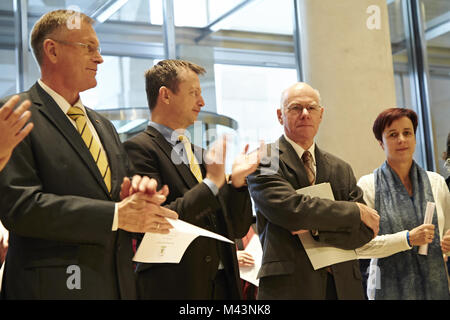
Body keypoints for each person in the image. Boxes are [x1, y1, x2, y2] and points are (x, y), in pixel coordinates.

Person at [0, 10, 178, 299]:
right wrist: (116, 214)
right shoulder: (15, 114)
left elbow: (113, 197)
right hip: (52, 288)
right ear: (52, 50)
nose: (100, 58)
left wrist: (135, 198)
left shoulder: (103, 125)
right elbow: (20, 208)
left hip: (116, 284)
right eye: (89, 48)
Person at [123, 59, 260, 299]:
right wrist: (211, 184)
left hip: (224, 285)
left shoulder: (200, 154)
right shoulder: (138, 149)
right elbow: (158, 219)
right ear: (165, 95)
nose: (202, 102)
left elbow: (236, 229)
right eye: (193, 93)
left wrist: (237, 184)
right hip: (177, 286)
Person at [246, 82, 380, 300]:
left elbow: (364, 231)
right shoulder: (264, 159)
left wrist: (317, 230)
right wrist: (354, 212)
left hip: (344, 287)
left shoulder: (341, 168)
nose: (305, 114)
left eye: (312, 108)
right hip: (291, 287)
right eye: (295, 108)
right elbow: (292, 211)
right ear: (280, 115)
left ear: (321, 115)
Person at [356, 108, 450, 300]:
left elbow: (447, 230)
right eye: (393, 134)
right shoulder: (368, 185)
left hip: (435, 285)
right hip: (386, 286)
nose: (401, 139)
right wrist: (407, 239)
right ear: (381, 143)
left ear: (415, 138)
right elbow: (361, 247)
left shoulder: (437, 182)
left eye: (407, 133)